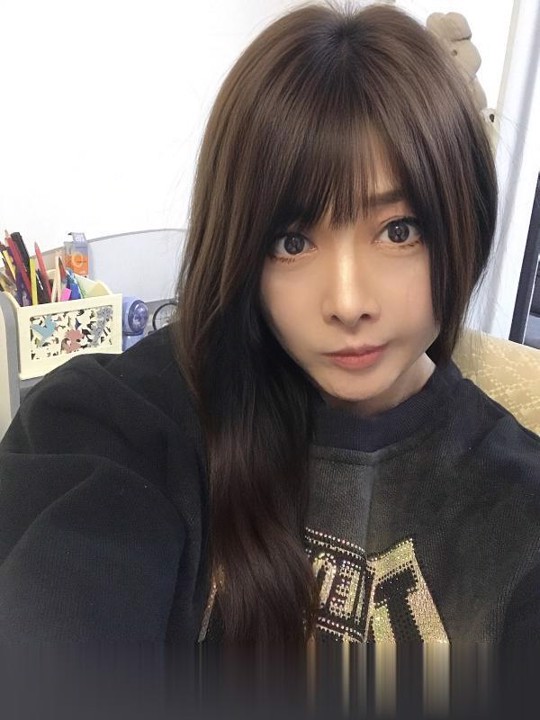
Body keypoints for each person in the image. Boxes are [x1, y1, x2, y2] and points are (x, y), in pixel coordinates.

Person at [0, 2, 538, 648]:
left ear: (464, 223)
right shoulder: (122, 426)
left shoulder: (518, 513)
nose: (347, 303)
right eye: (292, 242)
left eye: (399, 230)